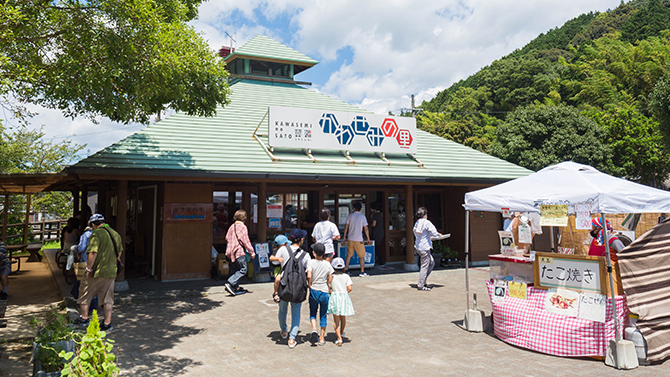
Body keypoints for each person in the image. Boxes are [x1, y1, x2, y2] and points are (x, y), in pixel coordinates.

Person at [74, 214, 123, 332]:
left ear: (92, 224)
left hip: (96, 272)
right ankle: (107, 324)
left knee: (85, 293)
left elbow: (93, 252)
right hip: (111, 272)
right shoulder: (115, 233)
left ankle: (84, 318)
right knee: (108, 298)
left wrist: (88, 269)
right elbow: (119, 252)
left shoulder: (96, 234)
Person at [276, 228, 311, 348]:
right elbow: (309, 271)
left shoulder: (283, 249)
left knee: (282, 310)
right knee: (296, 313)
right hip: (298, 287)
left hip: (285, 284)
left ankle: (284, 331)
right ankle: (292, 338)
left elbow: (276, 263)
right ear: (301, 240)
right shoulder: (306, 255)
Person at [306, 243, 334, 346]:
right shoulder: (327, 264)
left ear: (313, 253)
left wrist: (310, 284)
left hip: (314, 290)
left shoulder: (311, 263)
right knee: (323, 314)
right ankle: (322, 338)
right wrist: (327, 285)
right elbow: (330, 278)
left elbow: (309, 276)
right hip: (324, 291)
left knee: (313, 312)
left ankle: (314, 329)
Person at [224, 210, 255, 296]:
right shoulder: (242, 227)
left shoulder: (232, 226)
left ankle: (235, 288)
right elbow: (246, 241)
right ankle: (230, 283)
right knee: (243, 269)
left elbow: (227, 238)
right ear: (244, 218)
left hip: (230, 252)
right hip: (238, 251)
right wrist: (251, 252)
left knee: (234, 270)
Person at [70, 224, 98, 313]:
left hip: (86, 261)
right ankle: (94, 307)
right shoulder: (98, 234)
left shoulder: (86, 235)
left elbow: (81, 248)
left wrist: (75, 248)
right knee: (93, 285)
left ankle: (86, 310)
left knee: (84, 284)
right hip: (96, 261)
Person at [413, 207, 441, 291]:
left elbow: (417, 233)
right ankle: (421, 284)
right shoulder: (426, 222)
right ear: (424, 215)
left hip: (419, 246)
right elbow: (434, 232)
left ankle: (424, 279)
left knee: (431, 262)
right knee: (425, 265)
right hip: (425, 247)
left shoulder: (417, 223)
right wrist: (438, 235)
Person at [327, 257, 354, 346]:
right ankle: (341, 332)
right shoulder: (346, 276)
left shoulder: (332, 277)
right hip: (344, 297)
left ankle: (339, 338)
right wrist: (345, 292)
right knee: (343, 317)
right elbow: (350, 288)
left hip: (335, 297)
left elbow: (329, 288)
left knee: (336, 320)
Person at [343, 202, 371, 277]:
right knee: (361, 256)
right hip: (359, 239)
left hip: (350, 238)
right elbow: (366, 228)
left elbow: (346, 227)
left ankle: (346, 270)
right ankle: (362, 272)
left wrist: (344, 237)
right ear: (360, 209)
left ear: (354, 208)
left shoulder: (350, 216)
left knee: (348, 255)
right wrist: (368, 238)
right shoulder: (362, 217)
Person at [270, 234, 292, 303]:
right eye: (285, 243)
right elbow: (271, 258)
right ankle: (275, 292)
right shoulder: (276, 250)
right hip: (278, 269)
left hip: (286, 268)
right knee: (278, 279)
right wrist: (278, 258)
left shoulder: (287, 250)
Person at [370, 202, 385, 266]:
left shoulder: (375, 215)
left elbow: (373, 224)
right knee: (378, 247)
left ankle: (380, 261)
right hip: (380, 233)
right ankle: (380, 260)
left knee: (377, 247)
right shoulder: (380, 215)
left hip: (376, 234)